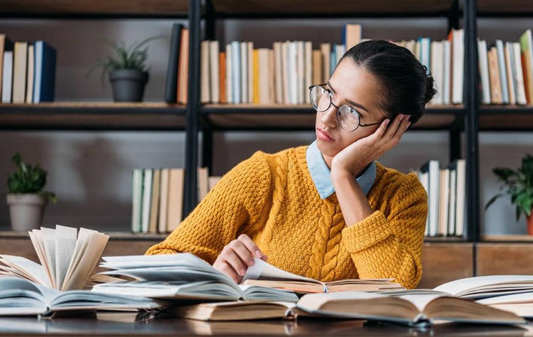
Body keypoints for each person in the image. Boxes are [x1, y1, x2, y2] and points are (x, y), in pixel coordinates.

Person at [146, 40, 436, 289]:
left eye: (351, 112)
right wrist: (213, 278)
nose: (326, 117)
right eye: (329, 94)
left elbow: (395, 292)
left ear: (392, 129)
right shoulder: (264, 175)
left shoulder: (404, 196)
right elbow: (158, 264)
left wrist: (343, 177)